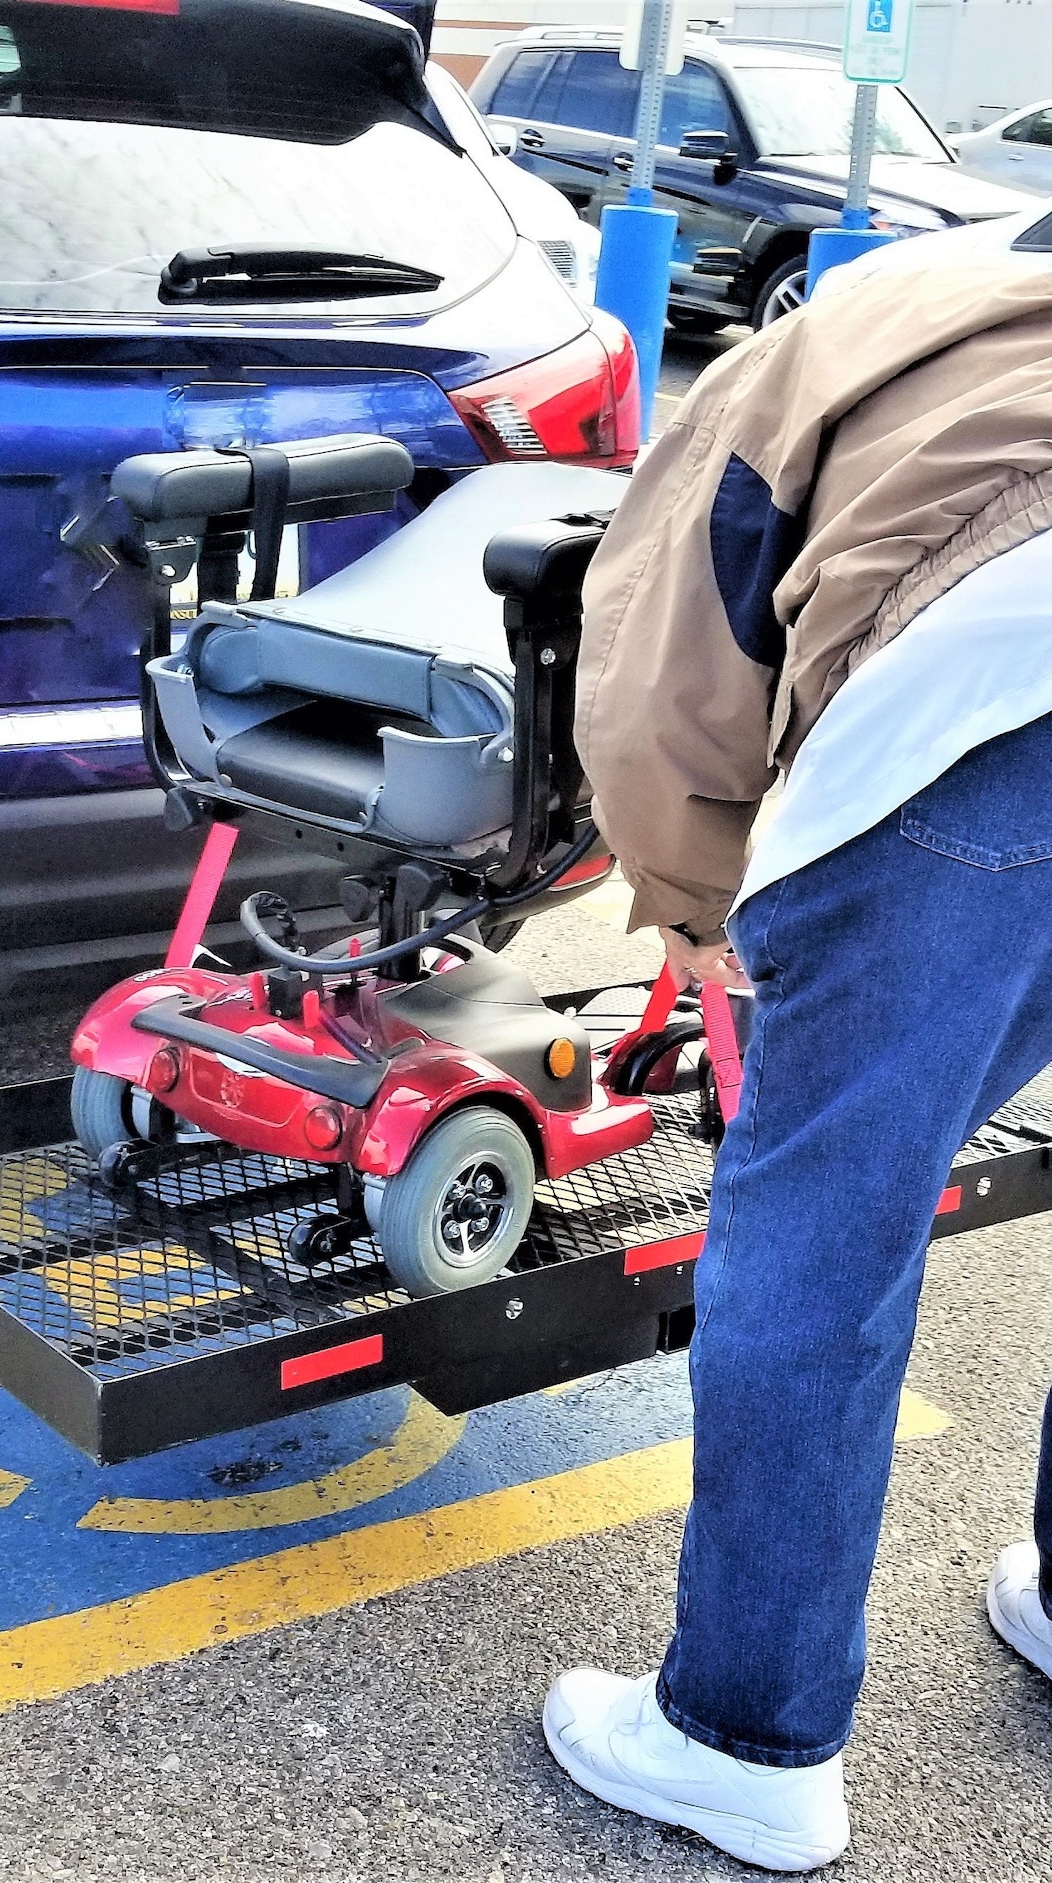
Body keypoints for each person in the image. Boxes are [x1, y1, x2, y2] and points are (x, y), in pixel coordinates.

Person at [542, 255, 1052, 1873]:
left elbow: (671, 656)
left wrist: (690, 901)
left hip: (995, 716)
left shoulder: (886, 308)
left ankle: (742, 1738)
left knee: (825, 1230)